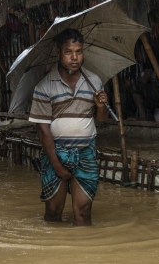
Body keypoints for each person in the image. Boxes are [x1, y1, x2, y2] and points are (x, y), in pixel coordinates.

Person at [28, 28, 109, 226]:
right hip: (56, 152)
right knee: (54, 211)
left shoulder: (94, 81)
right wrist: (56, 164)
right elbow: (43, 130)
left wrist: (100, 107)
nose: (75, 57)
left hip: (85, 152)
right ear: (58, 53)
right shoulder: (44, 86)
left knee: (84, 211)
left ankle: (83, 253)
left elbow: (102, 119)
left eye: (79, 51)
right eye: (68, 52)